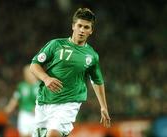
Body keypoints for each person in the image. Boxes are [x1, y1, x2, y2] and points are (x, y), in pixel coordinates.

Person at [30, 8, 111, 137]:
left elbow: (97, 81)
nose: (82, 30)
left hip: (69, 103)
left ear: (91, 31)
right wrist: (46, 78)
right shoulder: (55, 45)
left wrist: (103, 107)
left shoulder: (92, 56)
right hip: (44, 101)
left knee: (53, 135)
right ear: (73, 26)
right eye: (79, 25)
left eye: (86, 27)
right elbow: (34, 65)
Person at [5, 65, 39, 137]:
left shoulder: (40, 86)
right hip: (24, 114)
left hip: (37, 115)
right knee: (23, 135)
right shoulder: (21, 86)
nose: (29, 75)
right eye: (26, 73)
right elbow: (15, 99)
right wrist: (9, 108)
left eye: (30, 72)